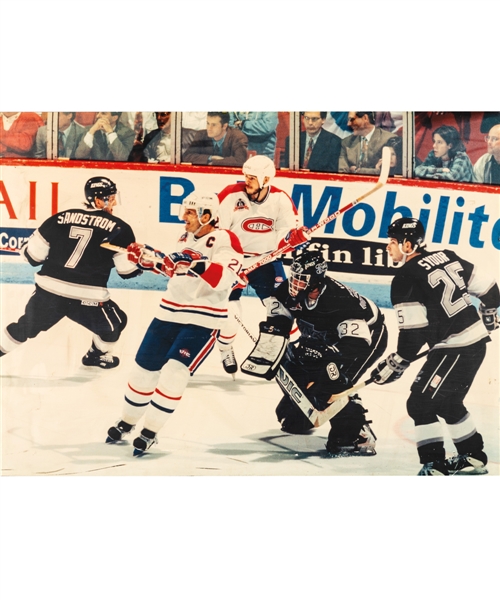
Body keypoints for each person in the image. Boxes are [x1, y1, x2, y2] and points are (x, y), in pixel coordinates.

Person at [105, 191, 245, 455]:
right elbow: (170, 267)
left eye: (190, 213)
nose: (184, 217)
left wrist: (195, 263)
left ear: (207, 215)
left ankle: (150, 431)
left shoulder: (226, 239)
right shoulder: (185, 237)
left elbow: (224, 279)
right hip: (168, 313)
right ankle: (127, 421)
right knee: (142, 371)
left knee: (173, 374)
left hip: (203, 319)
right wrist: (148, 258)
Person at [370, 218, 500, 476]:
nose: (388, 248)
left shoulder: (405, 277)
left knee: (419, 404)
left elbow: (414, 335)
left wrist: (398, 361)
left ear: (408, 245)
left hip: (455, 348)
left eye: (393, 242)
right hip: (475, 344)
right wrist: (489, 311)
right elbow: (490, 289)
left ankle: (434, 467)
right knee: (448, 403)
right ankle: (473, 457)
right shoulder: (447, 256)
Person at [241, 250, 388, 456]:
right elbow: (278, 323)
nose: (295, 283)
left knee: (334, 378)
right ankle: (312, 408)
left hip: (367, 337)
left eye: (302, 280)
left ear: (316, 281)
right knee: (292, 417)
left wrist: (328, 355)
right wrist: (272, 340)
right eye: (295, 277)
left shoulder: (339, 300)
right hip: (323, 338)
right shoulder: (288, 292)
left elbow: (356, 344)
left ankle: (357, 433)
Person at [0, 177, 141, 368]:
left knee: (24, 327)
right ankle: (96, 355)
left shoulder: (58, 218)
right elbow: (127, 272)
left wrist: (25, 250)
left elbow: (33, 258)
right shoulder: (119, 228)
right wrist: (141, 262)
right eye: (111, 198)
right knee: (116, 323)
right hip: (88, 298)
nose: (114, 202)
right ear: (98, 201)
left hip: (48, 293)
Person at [216, 155, 309, 375]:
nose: (246, 181)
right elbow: (218, 234)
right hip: (233, 260)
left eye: (251, 177)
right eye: (245, 176)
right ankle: (225, 348)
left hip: (265, 260)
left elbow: (285, 234)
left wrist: (291, 240)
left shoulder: (280, 199)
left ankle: (285, 353)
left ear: (265, 179)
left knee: (283, 310)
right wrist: (231, 262)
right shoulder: (231, 195)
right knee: (228, 313)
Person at [183, 112, 248, 166]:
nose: (209, 128)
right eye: (208, 123)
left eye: (214, 125)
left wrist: (214, 162)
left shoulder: (238, 137)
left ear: (224, 126)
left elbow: (240, 161)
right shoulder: (201, 135)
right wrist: (210, 158)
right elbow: (186, 156)